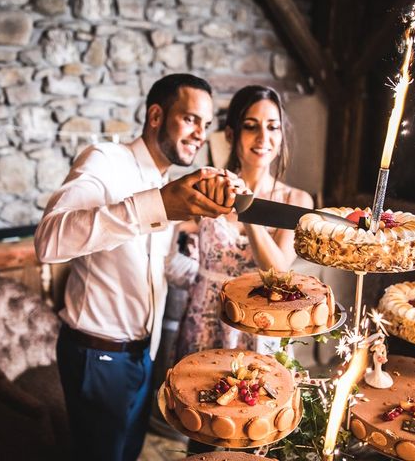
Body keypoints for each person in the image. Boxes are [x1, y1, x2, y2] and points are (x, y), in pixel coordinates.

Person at [34, 73, 245, 461]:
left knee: (129, 453)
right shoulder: (105, 160)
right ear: (155, 116)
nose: (200, 133)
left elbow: (157, 266)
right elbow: (48, 241)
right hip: (97, 355)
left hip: (142, 355)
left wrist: (217, 274)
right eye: (190, 119)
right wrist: (158, 206)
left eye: (207, 124)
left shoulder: (164, 182)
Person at [172, 85, 314, 362]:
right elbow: (163, 233)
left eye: (273, 127)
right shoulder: (208, 187)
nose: (264, 137)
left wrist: (246, 207)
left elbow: (279, 273)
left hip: (261, 329)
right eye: (251, 126)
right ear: (230, 134)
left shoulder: (296, 200)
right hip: (205, 323)